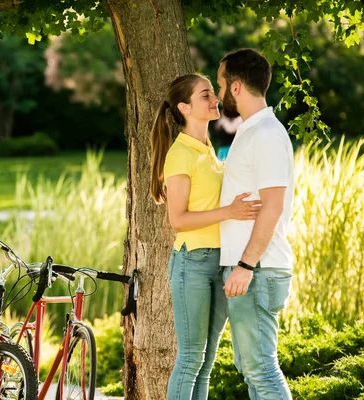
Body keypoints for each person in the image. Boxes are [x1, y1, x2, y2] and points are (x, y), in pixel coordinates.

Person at [149, 73, 261, 400]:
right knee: (190, 359)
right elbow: (178, 220)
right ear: (184, 107)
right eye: (205, 95)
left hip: (219, 261)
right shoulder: (181, 154)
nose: (215, 99)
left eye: (213, 92)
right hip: (192, 263)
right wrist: (230, 212)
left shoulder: (208, 148)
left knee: (206, 360)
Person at [216, 48, 295, 399]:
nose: (218, 94)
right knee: (252, 371)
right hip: (251, 270)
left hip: (258, 271)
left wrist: (246, 265)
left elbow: (273, 206)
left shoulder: (265, 134)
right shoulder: (251, 132)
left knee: (262, 372)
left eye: (220, 85)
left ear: (235, 87)